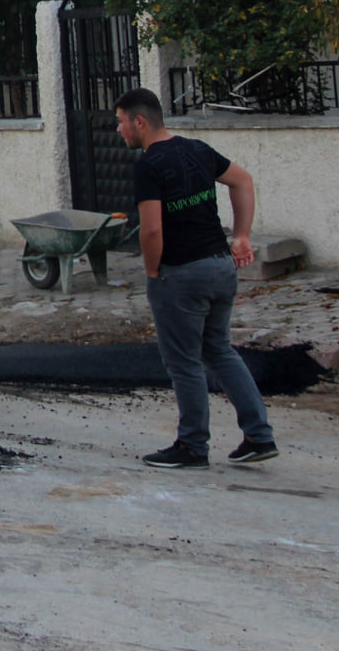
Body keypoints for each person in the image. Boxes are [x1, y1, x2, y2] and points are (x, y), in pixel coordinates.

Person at [115, 87, 279, 469]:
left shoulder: (148, 165)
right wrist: (241, 235)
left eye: (121, 122)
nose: (119, 131)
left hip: (182, 273)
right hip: (221, 267)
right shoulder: (198, 149)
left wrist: (153, 272)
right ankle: (259, 435)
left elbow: (151, 230)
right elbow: (242, 181)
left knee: (184, 362)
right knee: (220, 350)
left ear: (139, 122)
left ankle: (192, 446)